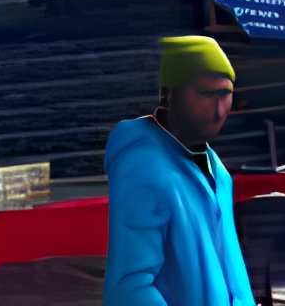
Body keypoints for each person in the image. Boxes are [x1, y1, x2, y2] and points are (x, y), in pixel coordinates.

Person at [105, 36, 253, 306]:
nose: (218, 111)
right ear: (168, 94)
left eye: (225, 94)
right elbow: (130, 289)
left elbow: (234, 273)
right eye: (205, 94)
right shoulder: (144, 168)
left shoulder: (217, 172)